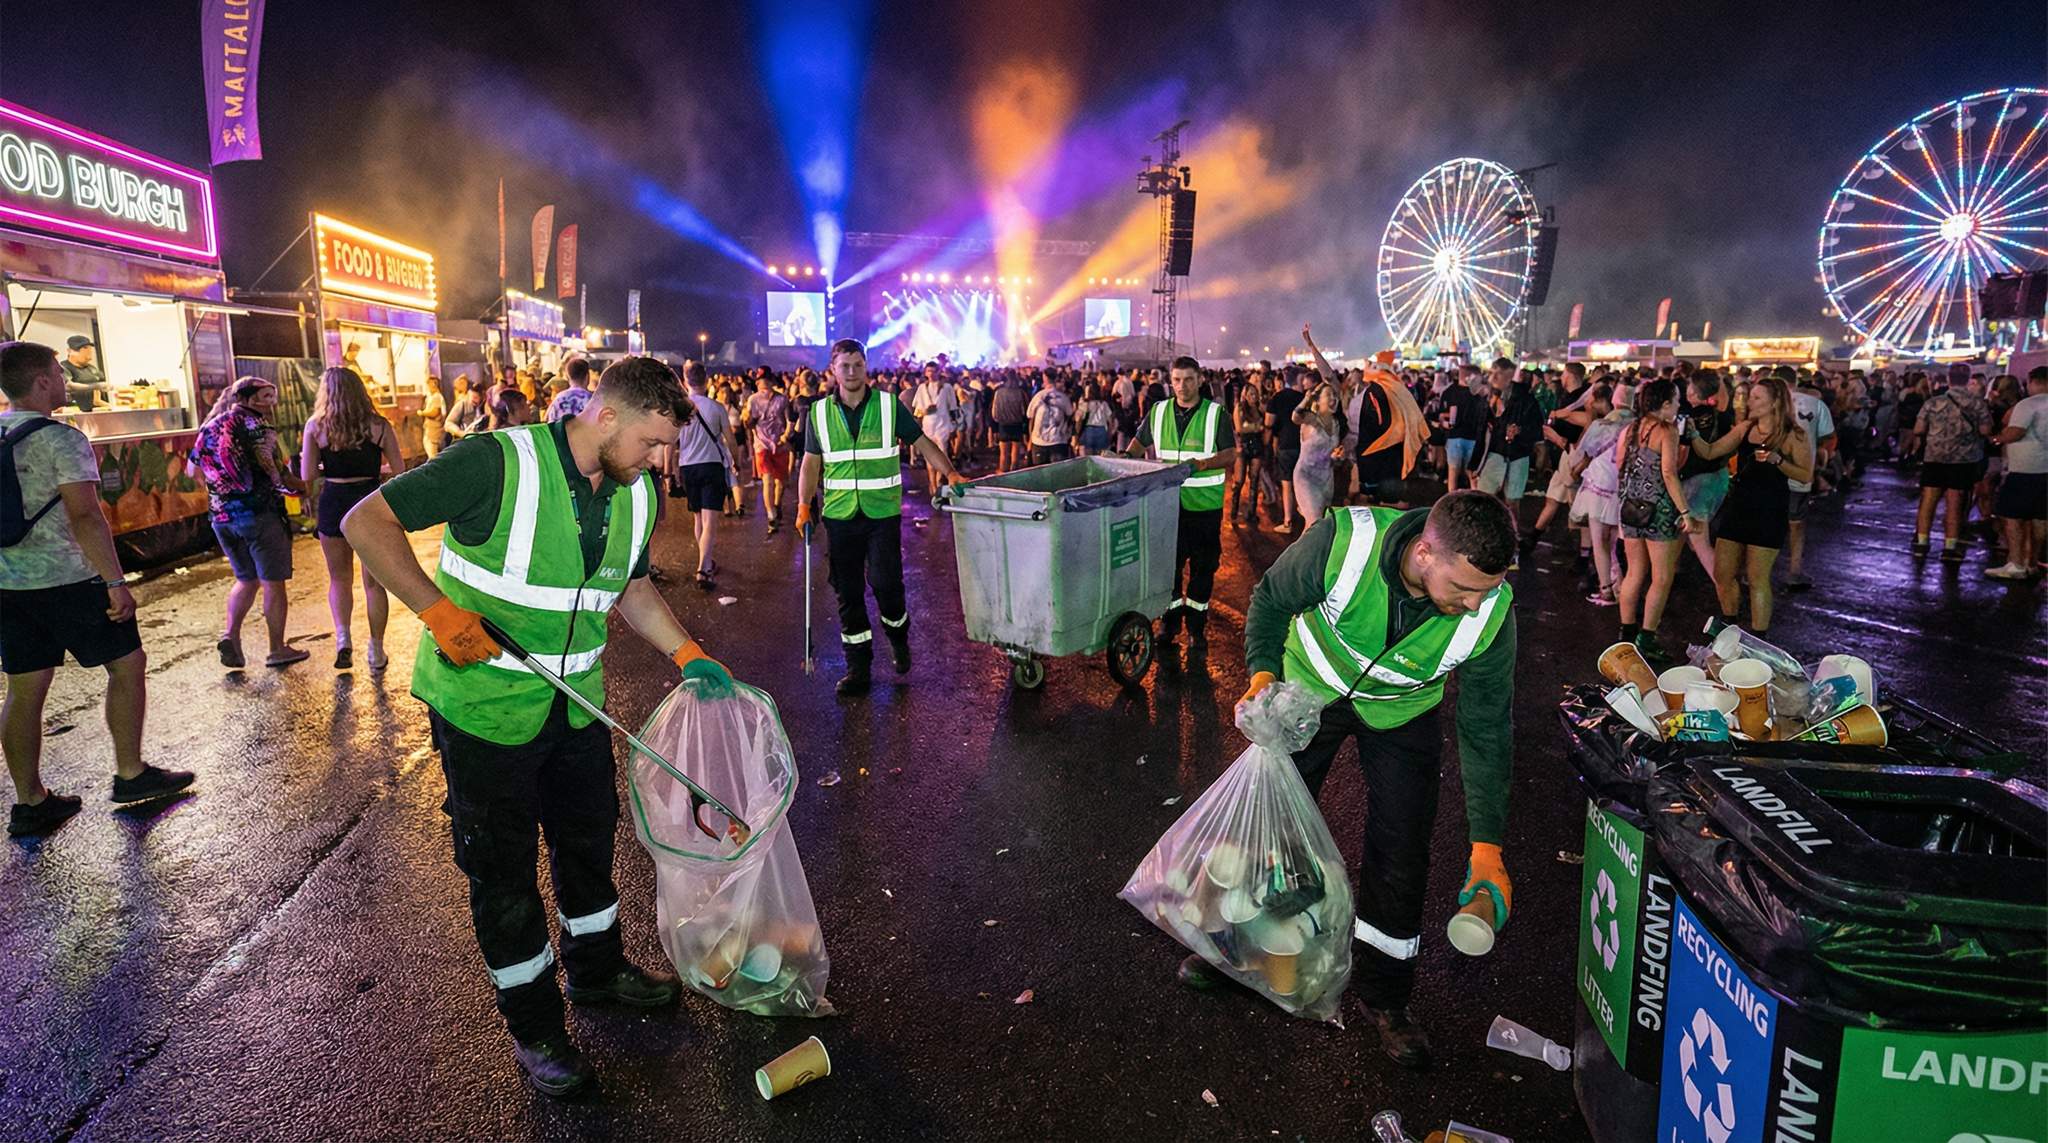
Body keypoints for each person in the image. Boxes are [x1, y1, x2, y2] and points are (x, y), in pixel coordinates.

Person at [341, 355, 730, 1098]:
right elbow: (366, 521)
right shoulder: (496, 461)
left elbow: (632, 587)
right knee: (505, 875)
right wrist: (435, 608)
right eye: (651, 443)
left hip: (574, 703)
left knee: (589, 843)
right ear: (605, 416)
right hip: (482, 713)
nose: (659, 461)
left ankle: (595, 970)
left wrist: (687, 650)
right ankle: (535, 1026)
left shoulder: (636, 490)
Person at [1214, 491, 1519, 1068]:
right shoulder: (1343, 543)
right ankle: (1238, 951)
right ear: (1425, 554)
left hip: (1402, 714)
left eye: (1487, 589)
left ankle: (1386, 999)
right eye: (1464, 589)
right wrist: (1262, 676)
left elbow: (1486, 728)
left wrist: (1487, 847)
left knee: (1401, 851)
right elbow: (1272, 602)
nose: (1476, 603)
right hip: (1311, 691)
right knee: (1272, 823)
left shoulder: (1492, 611)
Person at [1, 341, 193, 836]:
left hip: (9, 586)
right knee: (127, 664)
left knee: (24, 688)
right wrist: (114, 581)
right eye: (57, 373)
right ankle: (130, 772)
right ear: (41, 381)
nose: (64, 380)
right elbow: (85, 516)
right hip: (68, 577)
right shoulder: (60, 439)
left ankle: (30, 802)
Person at [796, 339, 965, 696]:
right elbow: (811, 462)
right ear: (833, 371)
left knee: (886, 584)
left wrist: (949, 474)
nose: (852, 372)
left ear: (866, 366)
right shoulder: (818, 413)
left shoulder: (890, 407)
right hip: (839, 515)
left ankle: (898, 637)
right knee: (848, 592)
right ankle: (859, 668)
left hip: (882, 514)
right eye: (845, 366)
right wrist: (802, 504)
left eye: (858, 365)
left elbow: (922, 442)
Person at [190, 375, 308, 669]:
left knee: (246, 579)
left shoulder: (209, 427)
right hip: (260, 516)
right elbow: (277, 475)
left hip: (221, 517)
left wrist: (221, 487)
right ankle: (277, 648)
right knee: (272, 583)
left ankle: (231, 635)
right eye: (267, 396)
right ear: (251, 398)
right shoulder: (259, 428)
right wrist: (307, 485)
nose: (271, 402)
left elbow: (193, 471)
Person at [299, 367, 406, 671]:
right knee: (374, 583)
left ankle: (343, 640)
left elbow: (307, 475)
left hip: (333, 501)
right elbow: (399, 469)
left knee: (339, 579)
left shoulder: (316, 427)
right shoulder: (378, 425)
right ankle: (376, 649)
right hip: (369, 502)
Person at [1128, 357, 1236, 655]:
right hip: (1166, 507)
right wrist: (1118, 463)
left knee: (1202, 570)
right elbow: (1136, 448)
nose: (1182, 386)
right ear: (1170, 381)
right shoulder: (1158, 412)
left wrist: (1202, 463)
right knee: (1168, 571)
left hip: (1204, 509)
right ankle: (1170, 623)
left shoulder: (1216, 414)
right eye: (1176, 380)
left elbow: (1230, 455)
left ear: (1200, 379)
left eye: (1188, 379)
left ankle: (1196, 629)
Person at [1696, 375, 1812, 636]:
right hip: (1738, 507)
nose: (1750, 401)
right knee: (1723, 573)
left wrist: (1777, 460)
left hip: (1769, 510)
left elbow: (1806, 475)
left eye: (1757, 397)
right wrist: (1691, 434)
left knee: (1758, 578)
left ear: (1775, 403)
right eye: (1751, 396)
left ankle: (1759, 639)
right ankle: (1730, 626)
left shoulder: (1793, 434)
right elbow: (1711, 451)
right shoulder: (1746, 428)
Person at [1613, 379, 1697, 665]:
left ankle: (1625, 636)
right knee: (1661, 576)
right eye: (1675, 401)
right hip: (1659, 510)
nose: (1678, 405)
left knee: (1634, 572)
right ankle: (1646, 639)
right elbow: (1670, 474)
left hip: (1631, 509)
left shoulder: (1629, 430)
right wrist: (1686, 512)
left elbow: (1620, 466)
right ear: (1663, 405)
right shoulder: (1666, 430)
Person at [669, 361, 741, 588]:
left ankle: (705, 561)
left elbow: (670, 444)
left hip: (688, 466)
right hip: (712, 465)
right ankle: (704, 567)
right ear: (706, 380)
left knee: (698, 517)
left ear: (685, 380)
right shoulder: (716, 407)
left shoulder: (680, 408)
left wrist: (669, 472)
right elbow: (730, 440)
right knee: (710, 519)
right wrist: (735, 462)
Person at [1913, 362, 1993, 563]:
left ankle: (1921, 542)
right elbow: (1985, 431)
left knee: (1928, 500)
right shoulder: (1977, 404)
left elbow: (1918, 429)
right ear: (1968, 380)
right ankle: (1950, 546)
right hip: (1963, 460)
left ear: (1948, 378)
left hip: (1935, 457)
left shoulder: (1933, 402)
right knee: (1954, 503)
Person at [1474, 358, 1544, 554]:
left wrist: (1520, 430)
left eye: (1498, 373)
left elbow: (1537, 430)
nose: (1493, 377)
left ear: (1509, 375)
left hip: (1517, 454)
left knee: (1512, 500)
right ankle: (1483, 534)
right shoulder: (1486, 396)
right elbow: (1479, 429)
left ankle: (1512, 536)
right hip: (1493, 452)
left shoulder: (1526, 399)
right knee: (1485, 497)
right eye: (1492, 372)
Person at [1986, 366, 2048, 580]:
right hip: (2045, 468)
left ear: (2034, 382)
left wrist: (1997, 439)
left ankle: (2016, 563)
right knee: (2039, 517)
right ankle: (2032, 561)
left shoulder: (2028, 405)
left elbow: (2016, 432)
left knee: (2013, 516)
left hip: (2025, 467)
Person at [1780, 370, 1835, 588]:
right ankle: (1794, 571)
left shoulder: (1766, 402)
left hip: (1771, 473)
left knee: (1763, 523)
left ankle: (1748, 573)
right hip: (1800, 473)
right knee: (1796, 524)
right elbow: (1826, 437)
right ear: (1795, 382)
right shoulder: (1815, 404)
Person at [745, 372, 796, 534]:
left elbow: (789, 421)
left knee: (780, 481)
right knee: (767, 480)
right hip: (761, 445)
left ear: (772, 381)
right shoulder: (752, 400)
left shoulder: (782, 399)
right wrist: (748, 421)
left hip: (779, 444)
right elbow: (749, 423)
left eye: (766, 380)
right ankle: (771, 515)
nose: (763, 383)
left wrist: (785, 437)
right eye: (760, 380)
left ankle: (777, 505)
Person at [1290, 383, 1343, 527]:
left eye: (1335, 395)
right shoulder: (1311, 419)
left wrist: (1336, 457)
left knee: (1318, 526)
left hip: (1326, 479)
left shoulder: (1335, 423)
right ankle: (1302, 550)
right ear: (1318, 401)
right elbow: (1295, 417)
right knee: (1315, 523)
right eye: (1329, 395)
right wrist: (1306, 399)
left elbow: (1330, 455)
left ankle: (1305, 548)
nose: (1333, 399)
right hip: (1306, 477)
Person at [1265, 368, 1308, 530]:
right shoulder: (1306, 398)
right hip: (1304, 445)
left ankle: (1287, 521)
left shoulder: (1277, 398)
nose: (1305, 382)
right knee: (1304, 483)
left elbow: (1269, 422)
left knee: (1287, 484)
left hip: (1284, 445)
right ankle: (1307, 519)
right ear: (1297, 379)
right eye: (1303, 378)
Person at [1440, 364, 1488, 492]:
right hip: (1473, 438)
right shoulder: (1479, 394)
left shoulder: (1449, 392)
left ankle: (1451, 501)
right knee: (1473, 474)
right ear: (1470, 377)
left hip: (1454, 436)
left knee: (1453, 473)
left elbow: (1441, 415)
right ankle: (1475, 500)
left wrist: (1445, 423)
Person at [1228, 382, 1268, 524]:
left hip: (1257, 445)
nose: (1254, 397)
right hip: (1242, 447)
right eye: (1251, 394)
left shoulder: (1259, 408)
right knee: (1239, 481)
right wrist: (1257, 427)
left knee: (1255, 480)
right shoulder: (1239, 408)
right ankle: (1233, 513)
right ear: (1244, 395)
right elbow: (1239, 429)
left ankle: (1251, 513)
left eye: (1255, 394)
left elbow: (1266, 425)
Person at [1025, 373, 1075, 466]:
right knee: (1057, 473)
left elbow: (1031, 419)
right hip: (1058, 441)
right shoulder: (1064, 398)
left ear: (1045, 379)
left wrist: (1030, 441)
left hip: (1039, 442)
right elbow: (1070, 416)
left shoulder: (1038, 397)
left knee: (1040, 474)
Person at [992, 371, 1030, 473]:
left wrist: (996, 423)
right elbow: (1024, 411)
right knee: (1015, 452)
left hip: (1003, 425)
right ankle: (1014, 472)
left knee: (1004, 453)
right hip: (1017, 424)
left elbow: (994, 412)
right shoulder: (1020, 392)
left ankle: (1003, 472)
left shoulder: (998, 392)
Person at [60, 335, 106, 411]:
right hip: (73, 414)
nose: (88, 351)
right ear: (70, 351)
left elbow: (97, 400)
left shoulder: (92, 369)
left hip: (94, 415)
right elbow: (68, 386)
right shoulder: (63, 368)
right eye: (84, 348)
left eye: (89, 348)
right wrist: (94, 386)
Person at [545, 357, 596, 423]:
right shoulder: (593, 400)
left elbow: (550, 422)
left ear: (567, 377)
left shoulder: (558, 399)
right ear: (587, 376)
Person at [444, 375, 487, 441]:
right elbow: (448, 423)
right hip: (463, 441)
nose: (472, 400)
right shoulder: (462, 404)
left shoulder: (487, 406)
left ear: (483, 397)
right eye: (471, 396)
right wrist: (461, 433)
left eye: (476, 397)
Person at [420, 376, 448, 460]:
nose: (429, 386)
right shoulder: (431, 397)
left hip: (434, 430)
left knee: (433, 455)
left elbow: (435, 413)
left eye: (431, 383)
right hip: (431, 429)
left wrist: (422, 413)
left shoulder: (437, 397)